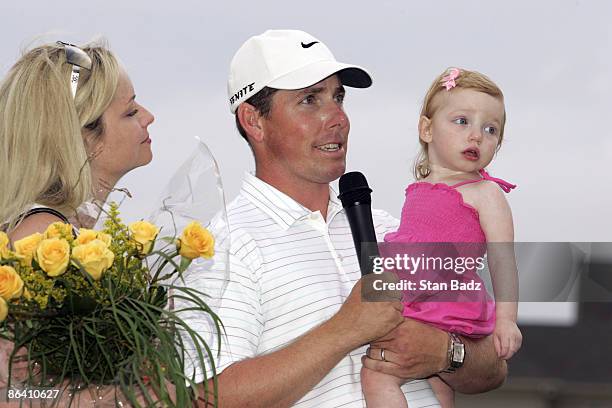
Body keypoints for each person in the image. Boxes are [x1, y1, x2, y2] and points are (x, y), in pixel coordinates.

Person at [179, 30, 507, 408]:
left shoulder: (391, 229)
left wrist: (446, 353)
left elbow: (494, 368)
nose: (337, 118)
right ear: (254, 121)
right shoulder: (222, 246)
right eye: (309, 100)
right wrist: (345, 330)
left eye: (338, 97)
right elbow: (206, 399)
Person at [0, 40, 155, 405]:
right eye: (130, 112)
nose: (149, 116)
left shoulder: (71, 232)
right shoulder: (38, 238)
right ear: (84, 138)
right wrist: (127, 395)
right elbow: (13, 394)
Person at [360, 68, 523, 408]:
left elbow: (502, 258)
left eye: (490, 129)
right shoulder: (418, 189)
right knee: (437, 386)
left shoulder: (485, 192)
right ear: (427, 129)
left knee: (378, 374)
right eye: (462, 121)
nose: (477, 136)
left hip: (446, 299)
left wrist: (507, 320)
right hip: (411, 295)